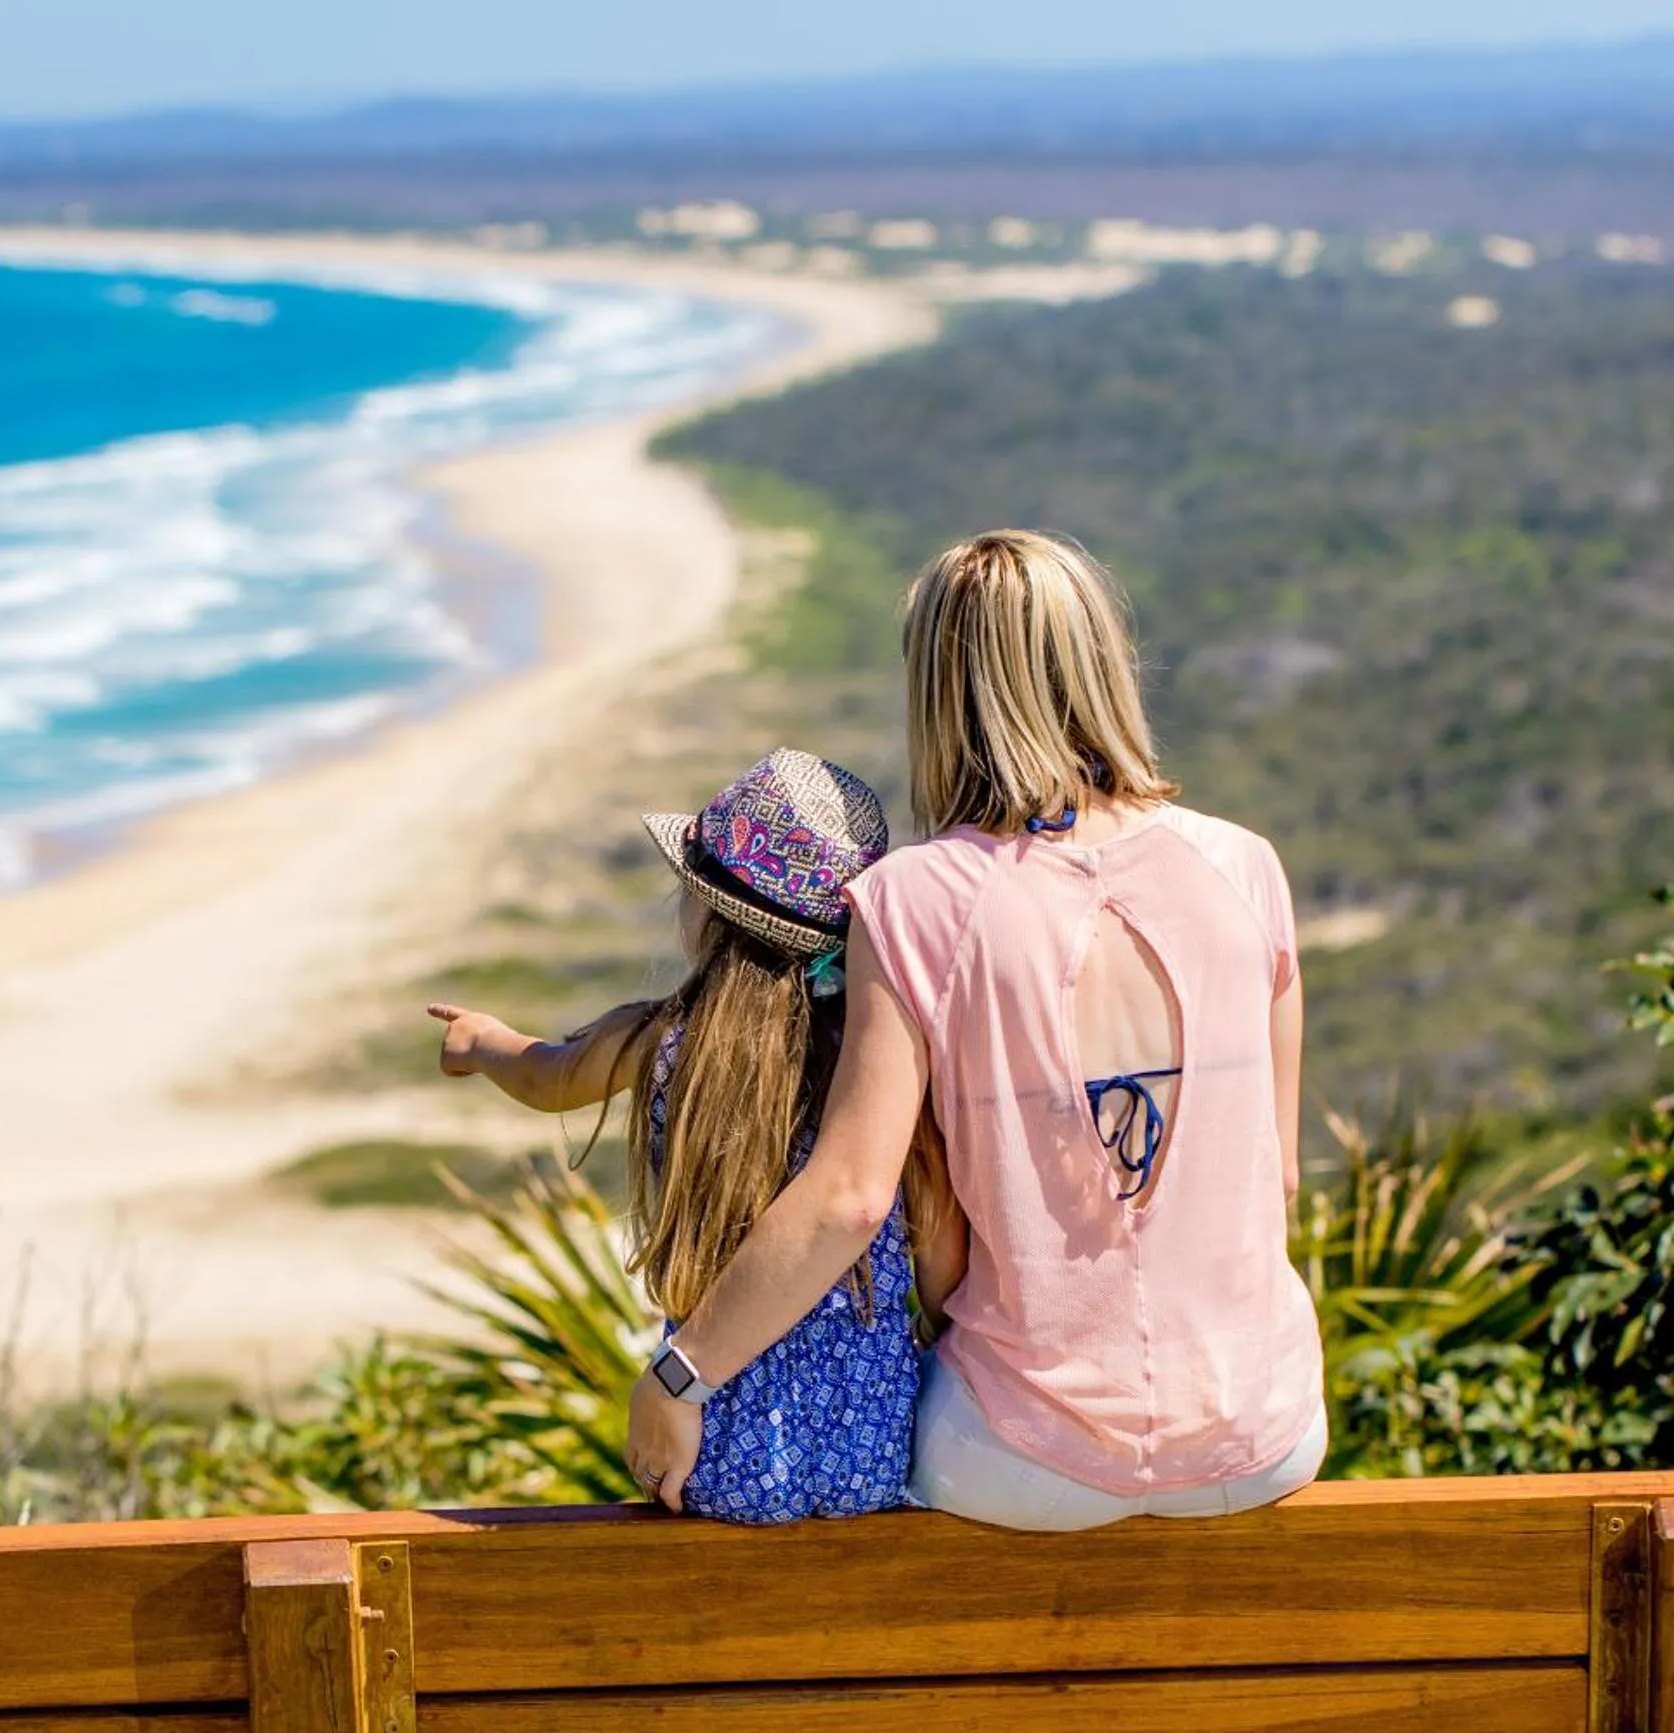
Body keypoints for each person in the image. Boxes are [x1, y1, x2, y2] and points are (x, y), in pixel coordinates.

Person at [625, 531, 1325, 1531]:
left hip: (1031, 1460)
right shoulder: (1245, 866)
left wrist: (679, 1374)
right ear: (1097, 663)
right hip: (1264, 1434)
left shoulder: (909, 898)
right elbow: (1279, 1180)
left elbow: (850, 1196)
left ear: (940, 691)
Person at [430, 748, 956, 1523]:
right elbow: (941, 1245)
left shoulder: (658, 1040)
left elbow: (547, 1074)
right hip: (875, 1455)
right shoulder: (881, 1082)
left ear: (707, 912)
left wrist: (480, 1042)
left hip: (709, 1447)